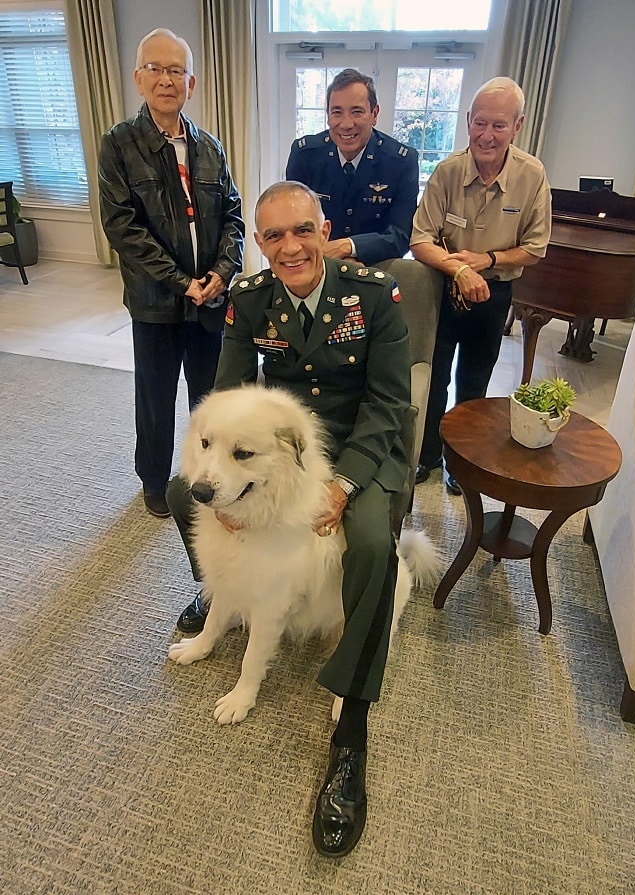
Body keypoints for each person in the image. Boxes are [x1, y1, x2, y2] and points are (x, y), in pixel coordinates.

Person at [166, 181, 411, 858]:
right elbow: (230, 396)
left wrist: (344, 481)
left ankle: (351, 732)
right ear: (261, 241)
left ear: (323, 227)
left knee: (367, 545)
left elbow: (389, 404)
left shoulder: (371, 294)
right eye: (273, 235)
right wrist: (222, 474)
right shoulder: (250, 301)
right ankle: (227, 585)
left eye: (302, 230)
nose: (289, 246)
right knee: (185, 492)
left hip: (359, 444)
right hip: (277, 455)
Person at [98, 28, 244, 517]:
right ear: (138, 79)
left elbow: (233, 215)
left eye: (176, 70)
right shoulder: (119, 145)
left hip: (211, 296)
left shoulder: (210, 147)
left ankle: (209, 475)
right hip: (157, 302)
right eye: (156, 69)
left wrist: (222, 272)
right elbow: (123, 227)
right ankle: (155, 478)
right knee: (156, 396)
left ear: (192, 83)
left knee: (211, 397)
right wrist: (183, 283)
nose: (166, 80)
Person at [410, 77, 551, 493]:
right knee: (434, 377)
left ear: (518, 126)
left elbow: (536, 247)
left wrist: (487, 261)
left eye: (499, 126)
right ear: (468, 120)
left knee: (474, 381)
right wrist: (458, 270)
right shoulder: (448, 171)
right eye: (480, 123)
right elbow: (420, 239)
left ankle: (460, 460)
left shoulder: (532, 175)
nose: (487, 136)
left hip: (494, 294)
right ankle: (428, 455)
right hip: (443, 291)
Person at [285, 68, 419, 266]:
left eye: (357, 112)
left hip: (376, 268)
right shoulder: (305, 155)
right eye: (337, 112)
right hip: (317, 264)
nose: (346, 124)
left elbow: (401, 236)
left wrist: (349, 247)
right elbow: (293, 224)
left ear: (374, 114)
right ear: (328, 116)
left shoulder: (400, 161)